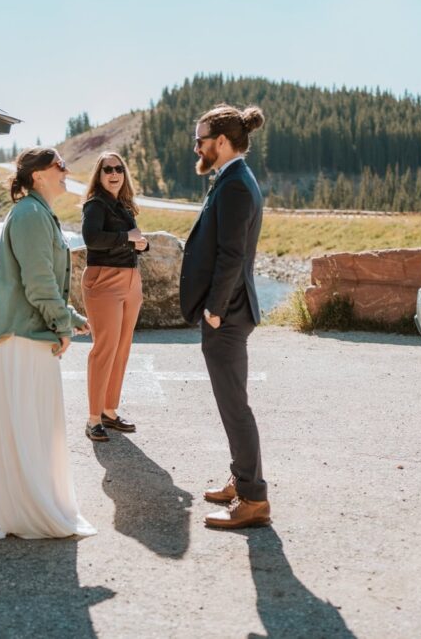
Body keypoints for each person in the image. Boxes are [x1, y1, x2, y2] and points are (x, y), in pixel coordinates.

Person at [0, 147, 96, 540]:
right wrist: (62, 326)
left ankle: (22, 505)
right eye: (60, 166)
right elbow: (38, 283)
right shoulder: (30, 215)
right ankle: (23, 511)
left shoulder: (35, 213)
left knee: (28, 427)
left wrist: (72, 318)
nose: (67, 171)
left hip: (23, 335)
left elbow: (40, 281)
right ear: (38, 175)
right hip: (20, 339)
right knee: (26, 426)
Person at [179, 104, 270, 529]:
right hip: (230, 310)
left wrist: (214, 309)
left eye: (200, 140)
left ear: (221, 141)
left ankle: (253, 499)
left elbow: (232, 255)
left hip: (228, 313)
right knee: (231, 402)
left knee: (235, 406)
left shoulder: (235, 185)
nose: (195, 147)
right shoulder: (233, 178)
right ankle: (241, 479)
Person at [80, 152, 148, 442]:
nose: (113, 173)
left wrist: (141, 244)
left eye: (118, 168)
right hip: (104, 280)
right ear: (99, 175)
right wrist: (128, 238)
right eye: (107, 169)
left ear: (124, 173)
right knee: (105, 348)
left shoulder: (124, 206)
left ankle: (109, 410)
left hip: (131, 279)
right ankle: (93, 418)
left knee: (122, 348)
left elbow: (131, 239)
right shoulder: (95, 204)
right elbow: (92, 239)